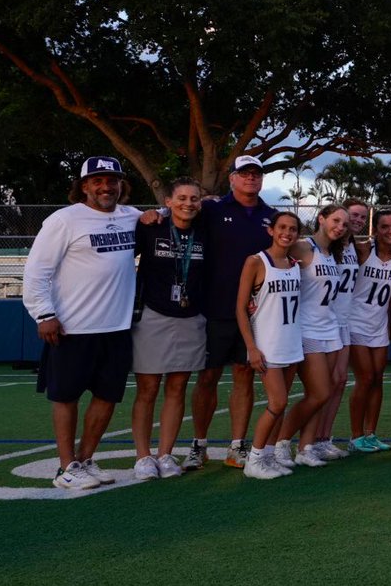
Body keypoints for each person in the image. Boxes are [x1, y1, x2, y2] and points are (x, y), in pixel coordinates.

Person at [23, 156, 140, 490]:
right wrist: (43, 314)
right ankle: (65, 467)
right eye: (98, 181)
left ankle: (86, 460)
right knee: (66, 397)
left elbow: (168, 213)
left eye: (113, 180)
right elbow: (36, 271)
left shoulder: (131, 217)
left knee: (107, 396)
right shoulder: (65, 220)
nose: (106, 187)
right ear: (84, 186)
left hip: (116, 328)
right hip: (73, 328)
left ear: (121, 185)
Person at [185, 155, 277, 471]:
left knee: (244, 375)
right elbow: (178, 213)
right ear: (233, 179)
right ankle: (199, 444)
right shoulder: (212, 209)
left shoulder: (271, 216)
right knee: (207, 376)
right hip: (216, 308)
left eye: (257, 174)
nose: (251, 178)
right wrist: (152, 215)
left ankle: (237, 445)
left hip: (255, 313)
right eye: (245, 173)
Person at [130, 177, 208, 480]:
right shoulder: (150, 226)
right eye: (182, 198)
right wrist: (146, 215)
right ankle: (142, 457)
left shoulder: (205, 230)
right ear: (168, 202)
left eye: (194, 198)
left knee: (177, 388)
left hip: (190, 317)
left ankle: (165, 453)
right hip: (153, 314)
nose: (188, 203)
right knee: (147, 389)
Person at [273, 204, 347, 468]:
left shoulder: (331, 252)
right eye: (336, 220)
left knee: (322, 395)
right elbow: (273, 262)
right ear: (322, 218)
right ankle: (281, 442)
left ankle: (306, 447)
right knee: (319, 392)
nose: (340, 227)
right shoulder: (303, 247)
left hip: (329, 327)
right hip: (307, 328)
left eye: (344, 224)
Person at [235, 211, 304, 480]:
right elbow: (241, 308)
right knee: (277, 402)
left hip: (291, 341)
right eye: (282, 227)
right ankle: (253, 459)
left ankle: (269, 456)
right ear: (271, 230)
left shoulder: (295, 264)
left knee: (282, 405)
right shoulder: (256, 261)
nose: (287, 232)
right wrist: (251, 347)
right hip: (268, 343)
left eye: (293, 229)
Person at [314, 198, 367, 458]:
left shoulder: (355, 247)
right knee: (322, 384)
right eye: (352, 216)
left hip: (344, 320)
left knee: (340, 380)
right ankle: (308, 440)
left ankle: (324, 437)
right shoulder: (322, 246)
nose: (355, 222)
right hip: (325, 320)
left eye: (360, 219)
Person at [347, 206, 391, 452]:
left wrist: (387, 323)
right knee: (366, 378)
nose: (390, 231)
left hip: (378, 326)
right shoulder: (362, 251)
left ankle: (371, 433)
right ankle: (356, 435)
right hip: (356, 322)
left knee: (378, 379)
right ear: (376, 230)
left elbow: (390, 295)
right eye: (384, 226)